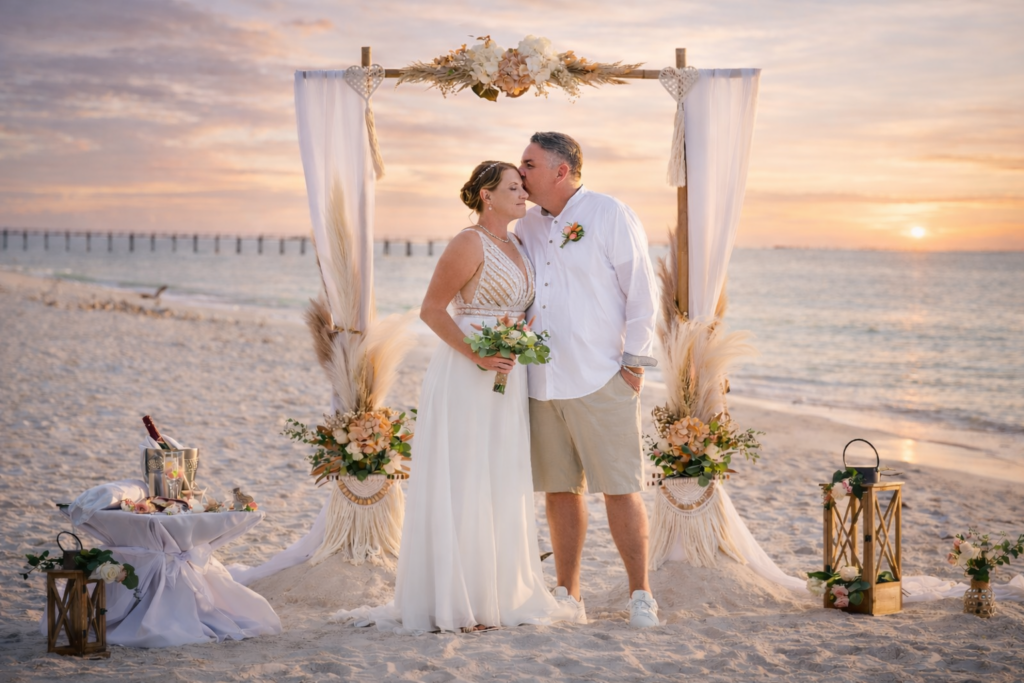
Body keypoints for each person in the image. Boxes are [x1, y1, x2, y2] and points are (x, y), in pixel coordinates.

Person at [360, 160, 568, 633]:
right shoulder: (467, 242)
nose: (524, 194)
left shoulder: (517, 243)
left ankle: (494, 596)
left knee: (498, 475)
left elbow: (522, 308)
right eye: (513, 188)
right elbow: (432, 310)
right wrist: (477, 354)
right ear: (486, 196)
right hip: (467, 370)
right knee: (466, 473)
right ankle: (456, 601)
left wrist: (521, 338)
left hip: (507, 374)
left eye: (523, 186)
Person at [516, 131, 661, 628]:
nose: (521, 173)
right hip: (541, 380)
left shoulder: (609, 213)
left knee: (620, 488)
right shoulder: (527, 224)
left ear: (562, 170)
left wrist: (633, 364)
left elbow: (642, 292)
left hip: (600, 375)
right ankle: (568, 593)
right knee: (559, 490)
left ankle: (641, 594)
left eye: (529, 164)